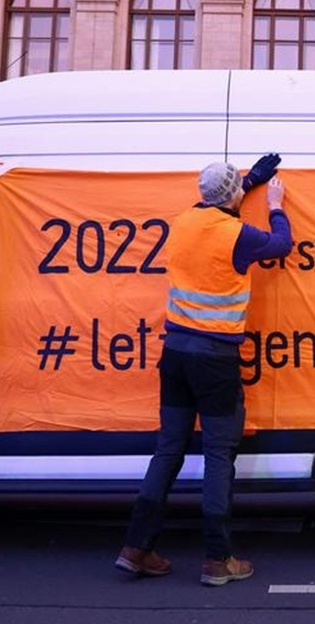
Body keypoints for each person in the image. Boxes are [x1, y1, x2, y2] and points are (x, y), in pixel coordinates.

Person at [117, 154, 292, 585]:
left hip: (175, 353)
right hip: (215, 360)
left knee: (168, 450)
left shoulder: (182, 222)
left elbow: (217, 202)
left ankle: (136, 548)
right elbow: (281, 245)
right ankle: (218, 559)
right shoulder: (238, 236)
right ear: (233, 198)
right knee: (217, 455)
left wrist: (250, 178)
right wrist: (274, 203)